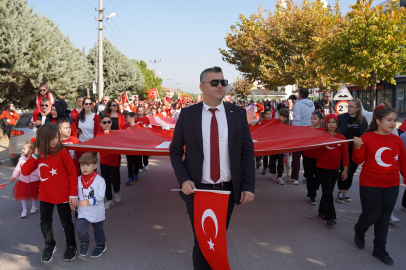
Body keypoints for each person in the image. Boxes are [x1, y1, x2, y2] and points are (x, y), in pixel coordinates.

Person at [169, 66, 255, 269]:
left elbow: (246, 152)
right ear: (202, 87)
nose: (220, 86)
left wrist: (249, 185)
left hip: (227, 190)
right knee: (202, 241)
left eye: (223, 82)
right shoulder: (188, 114)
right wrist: (184, 179)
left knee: (217, 238)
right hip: (198, 190)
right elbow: (174, 151)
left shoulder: (238, 114)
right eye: (214, 82)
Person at [353, 106, 406, 266]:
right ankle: (359, 230)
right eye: (389, 120)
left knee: (384, 217)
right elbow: (358, 160)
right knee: (371, 215)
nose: (392, 123)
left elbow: (403, 163)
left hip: (391, 185)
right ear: (378, 120)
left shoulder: (397, 139)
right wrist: (357, 147)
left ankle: (380, 248)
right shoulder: (367, 137)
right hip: (370, 183)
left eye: (394, 120)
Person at [21, 123, 78, 262]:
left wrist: (73, 194)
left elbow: (72, 173)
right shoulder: (38, 154)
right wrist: (35, 154)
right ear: (43, 138)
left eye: (57, 137)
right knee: (45, 223)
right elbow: (25, 171)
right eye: (52, 138)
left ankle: (71, 245)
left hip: (63, 195)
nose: (55, 140)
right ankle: (50, 244)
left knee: (66, 223)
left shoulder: (62, 151)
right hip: (45, 195)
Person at [310, 114, 348, 226]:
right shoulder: (321, 136)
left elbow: (345, 155)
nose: (331, 124)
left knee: (329, 192)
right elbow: (315, 152)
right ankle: (330, 217)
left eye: (334, 122)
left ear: (337, 124)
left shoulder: (342, 138)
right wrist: (324, 142)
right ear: (325, 124)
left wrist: (345, 170)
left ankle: (321, 210)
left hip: (335, 168)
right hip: (322, 168)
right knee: (327, 192)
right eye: (329, 122)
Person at [76, 152, 107, 258]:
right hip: (83, 212)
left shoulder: (100, 181)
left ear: (95, 166)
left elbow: (101, 197)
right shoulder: (78, 179)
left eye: (88, 165)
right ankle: (84, 242)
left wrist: (88, 202)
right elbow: (74, 194)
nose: (84, 168)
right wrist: (73, 201)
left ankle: (101, 245)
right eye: (82, 165)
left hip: (97, 211)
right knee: (81, 229)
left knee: (98, 231)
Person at [337, 99, 368, 203]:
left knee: (352, 172)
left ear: (357, 108)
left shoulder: (362, 120)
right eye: (348, 106)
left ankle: (346, 191)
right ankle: (340, 191)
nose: (348, 108)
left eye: (351, 106)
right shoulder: (342, 118)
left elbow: (364, 136)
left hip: (355, 150)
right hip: (343, 149)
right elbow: (337, 132)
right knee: (345, 171)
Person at [290, 88, 315, 185]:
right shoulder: (312, 104)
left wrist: (294, 132)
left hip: (300, 131)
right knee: (307, 156)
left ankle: (294, 177)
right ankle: (307, 176)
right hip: (309, 130)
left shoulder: (298, 104)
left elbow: (297, 118)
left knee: (296, 156)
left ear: (300, 95)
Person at [96, 115, 121, 209]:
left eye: (109, 122)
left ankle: (117, 191)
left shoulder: (116, 134)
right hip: (103, 161)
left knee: (116, 181)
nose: (107, 124)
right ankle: (110, 200)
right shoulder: (98, 135)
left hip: (114, 161)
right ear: (100, 124)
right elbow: (96, 146)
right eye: (104, 122)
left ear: (111, 123)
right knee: (106, 182)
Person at [10, 139, 39, 218]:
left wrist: (38, 176)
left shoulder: (35, 159)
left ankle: (34, 206)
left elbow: (38, 169)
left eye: (24, 149)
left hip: (34, 180)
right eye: (22, 148)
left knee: (34, 195)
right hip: (24, 181)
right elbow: (17, 168)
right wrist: (14, 176)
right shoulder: (21, 159)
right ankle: (24, 210)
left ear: (30, 150)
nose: (22, 150)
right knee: (23, 195)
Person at [302, 111, 325, 205]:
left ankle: (313, 188)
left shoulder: (323, 131)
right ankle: (312, 196)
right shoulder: (307, 129)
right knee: (309, 176)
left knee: (319, 176)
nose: (312, 120)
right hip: (307, 156)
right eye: (311, 118)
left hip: (319, 157)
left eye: (314, 118)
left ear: (320, 120)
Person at [269, 108, 289, 185]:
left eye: (286, 117)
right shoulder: (274, 122)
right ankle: (273, 173)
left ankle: (279, 176)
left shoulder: (286, 125)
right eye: (283, 117)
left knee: (281, 161)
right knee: (272, 160)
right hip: (273, 145)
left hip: (281, 146)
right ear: (279, 115)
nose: (284, 119)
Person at [123, 112, 141, 185]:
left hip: (136, 148)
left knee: (136, 162)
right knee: (130, 163)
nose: (126, 119)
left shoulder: (138, 127)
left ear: (132, 118)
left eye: (127, 117)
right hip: (128, 148)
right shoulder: (125, 126)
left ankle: (136, 174)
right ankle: (130, 177)